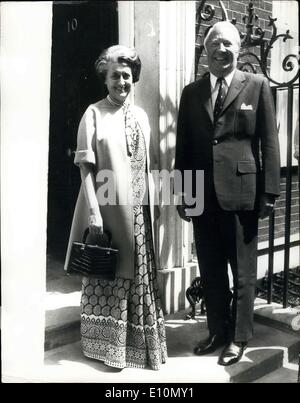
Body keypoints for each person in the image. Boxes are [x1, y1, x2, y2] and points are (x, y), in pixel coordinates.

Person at [175, 21, 280, 366]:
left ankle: (239, 337)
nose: (222, 50)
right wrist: (182, 193)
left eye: (229, 44)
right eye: (215, 44)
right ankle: (218, 331)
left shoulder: (257, 86)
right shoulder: (191, 93)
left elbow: (269, 142)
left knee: (243, 270)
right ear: (206, 51)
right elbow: (185, 148)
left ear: (239, 49)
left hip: (243, 196)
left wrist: (269, 193)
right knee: (211, 268)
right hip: (202, 196)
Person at [65, 45, 167, 370]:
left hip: (140, 214)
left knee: (140, 279)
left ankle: (140, 349)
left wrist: (158, 201)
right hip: (108, 210)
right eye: (114, 76)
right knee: (109, 276)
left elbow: (149, 165)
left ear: (133, 78)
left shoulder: (141, 116)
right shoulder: (93, 113)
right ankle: (108, 350)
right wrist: (94, 211)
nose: (121, 82)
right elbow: (85, 169)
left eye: (126, 76)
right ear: (104, 79)